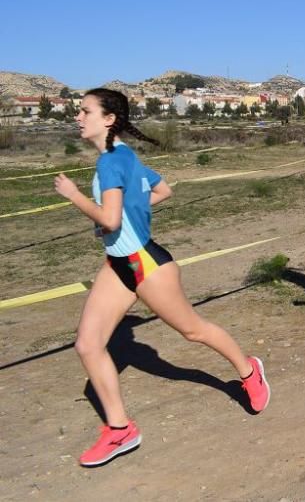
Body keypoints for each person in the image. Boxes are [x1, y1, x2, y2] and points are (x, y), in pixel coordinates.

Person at [54, 88, 270, 467]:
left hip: (146, 265)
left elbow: (110, 218)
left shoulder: (110, 162)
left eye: (85, 111)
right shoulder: (121, 156)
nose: (78, 116)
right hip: (118, 264)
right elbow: (163, 190)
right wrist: (122, 219)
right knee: (88, 344)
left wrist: (74, 196)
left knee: (192, 330)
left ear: (108, 119)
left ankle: (249, 371)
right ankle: (120, 430)